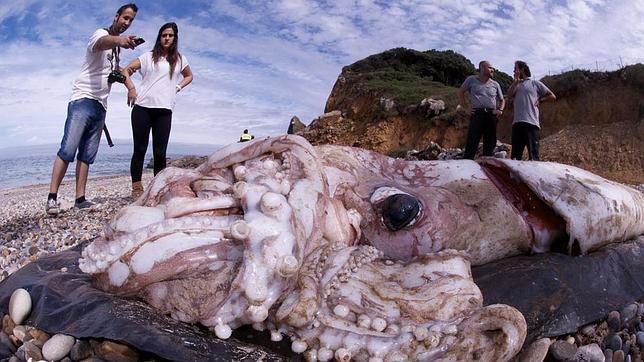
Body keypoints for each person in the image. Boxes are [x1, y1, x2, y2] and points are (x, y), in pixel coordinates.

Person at [46, 3, 142, 215]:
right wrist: (121, 41)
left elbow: (115, 71)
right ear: (116, 16)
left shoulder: (116, 51)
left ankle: (80, 199)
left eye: (131, 20)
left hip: (101, 105)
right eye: (125, 18)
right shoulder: (101, 34)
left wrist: (130, 86)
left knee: (87, 155)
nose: (127, 23)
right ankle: (52, 198)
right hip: (83, 99)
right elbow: (100, 44)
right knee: (68, 149)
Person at [121, 22, 193, 199]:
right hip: (142, 108)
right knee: (140, 149)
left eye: (170, 35)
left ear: (175, 38)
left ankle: (158, 188)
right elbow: (125, 70)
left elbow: (189, 76)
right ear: (159, 37)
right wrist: (131, 88)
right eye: (164, 35)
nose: (167, 38)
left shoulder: (180, 59)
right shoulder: (148, 57)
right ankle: (136, 188)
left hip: (164, 110)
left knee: (160, 153)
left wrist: (177, 87)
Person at [507, 60, 556, 161]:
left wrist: (541, 100)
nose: (513, 71)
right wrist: (515, 82)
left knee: (534, 157)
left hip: (532, 125)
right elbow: (509, 95)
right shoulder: (516, 85)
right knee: (515, 158)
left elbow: (552, 96)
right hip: (517, 124)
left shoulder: (535, 83)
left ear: (522, 69)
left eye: (515, 68)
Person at [457, 60, 506, 160]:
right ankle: (466, 168)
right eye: (490, 68)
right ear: (482, 68)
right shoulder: (471, 79)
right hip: (477, 114)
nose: (493, 70)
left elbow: (502, 100)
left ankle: (487, 170)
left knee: (490, 144)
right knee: (472, 142)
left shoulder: (495, 84)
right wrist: (466, 108)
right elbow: (460, 92)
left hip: (491, 116)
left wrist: (500, 110)